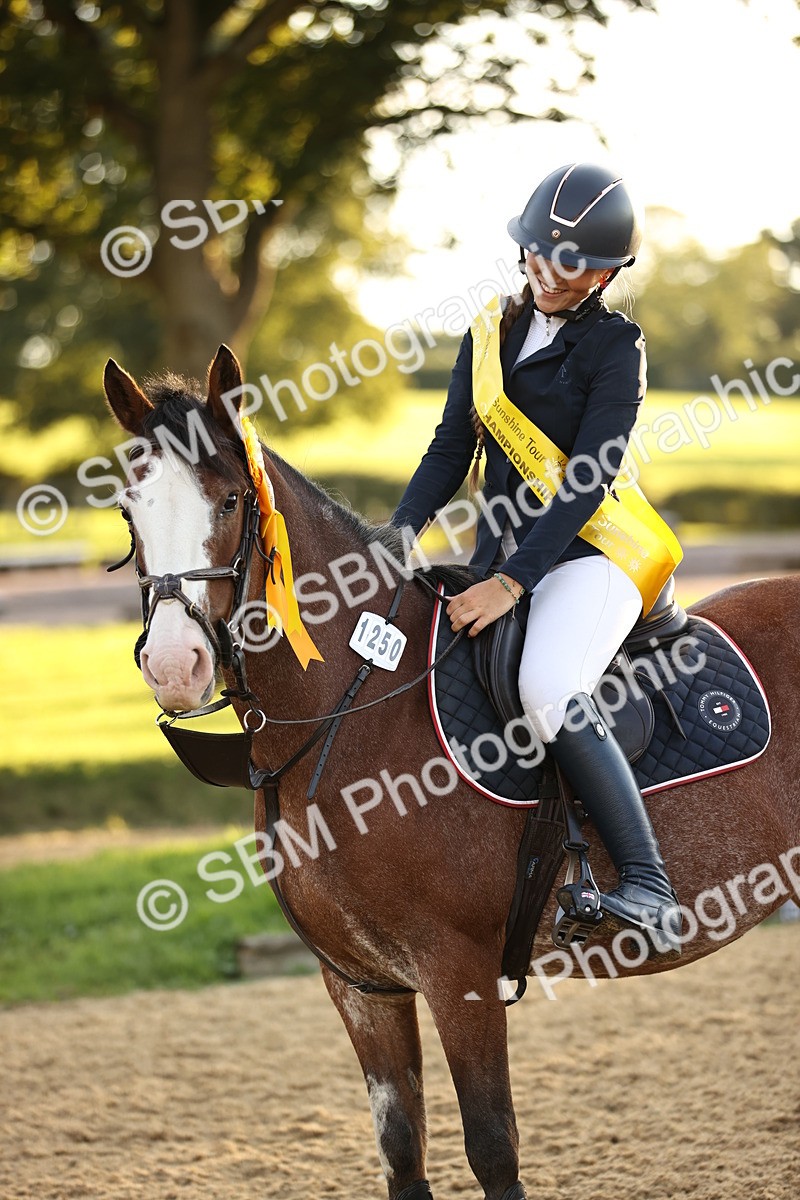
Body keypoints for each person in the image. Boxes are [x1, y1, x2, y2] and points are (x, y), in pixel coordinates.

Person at [392, 162, 683, 955]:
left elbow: (587, 479)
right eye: (543, 254)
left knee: (548, 684)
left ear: (608, 272)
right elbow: (453, 444)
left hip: (599, 553)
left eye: (579, 262)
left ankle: (650, 885)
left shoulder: (618, 347)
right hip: (506, 555)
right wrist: (401, 530)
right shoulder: (489, 332)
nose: (555, 273)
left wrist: (511, 583)